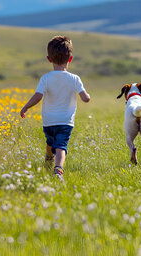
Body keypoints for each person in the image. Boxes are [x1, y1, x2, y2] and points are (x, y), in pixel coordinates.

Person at [20, 35, 90, 181]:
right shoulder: (75, 79)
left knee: (51, 141)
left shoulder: (45, 78)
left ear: (49, 59)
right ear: (70, 59)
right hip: (65, 121)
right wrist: (86, 97)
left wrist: (26, 107)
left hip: (48, 121)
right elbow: (85, 97)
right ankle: (58, 170)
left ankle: (48, 159)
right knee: (61, 146)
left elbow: (38, 96)